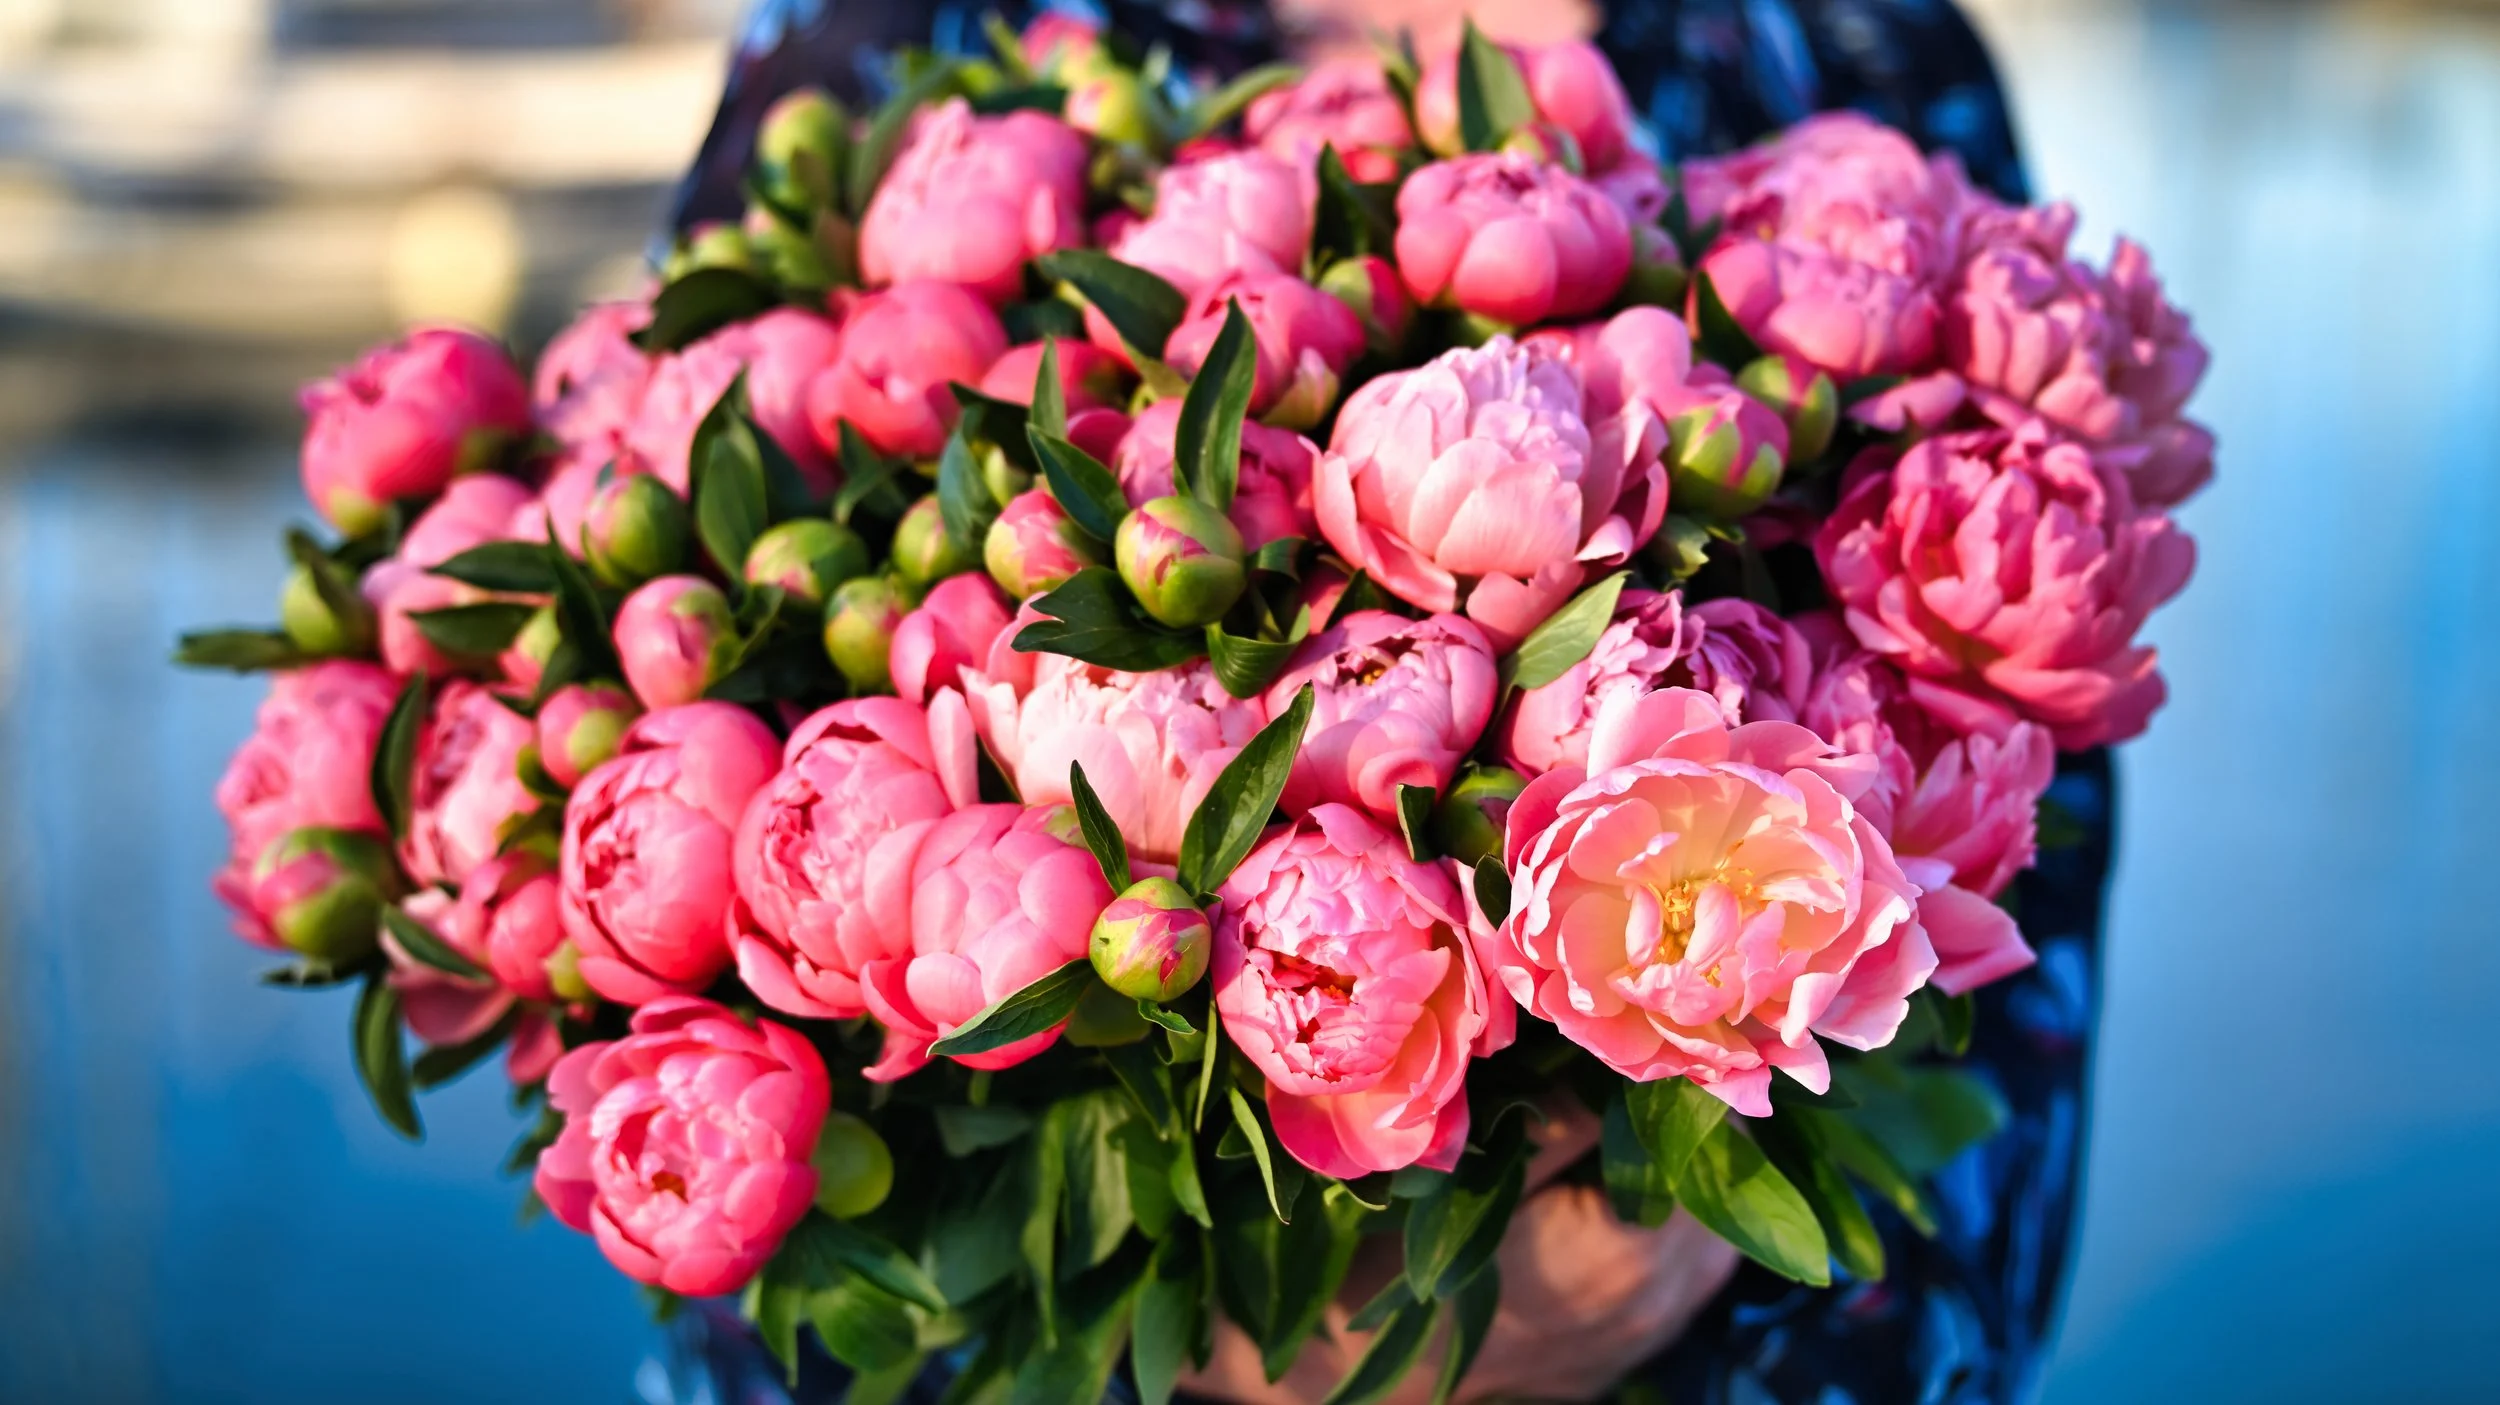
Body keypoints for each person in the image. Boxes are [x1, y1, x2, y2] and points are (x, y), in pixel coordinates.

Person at [653, 4, 2102, 1400]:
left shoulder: (1862, 44)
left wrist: (1684, 1291)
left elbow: (2033, 959)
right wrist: (1211, 1350)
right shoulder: (907, 32)